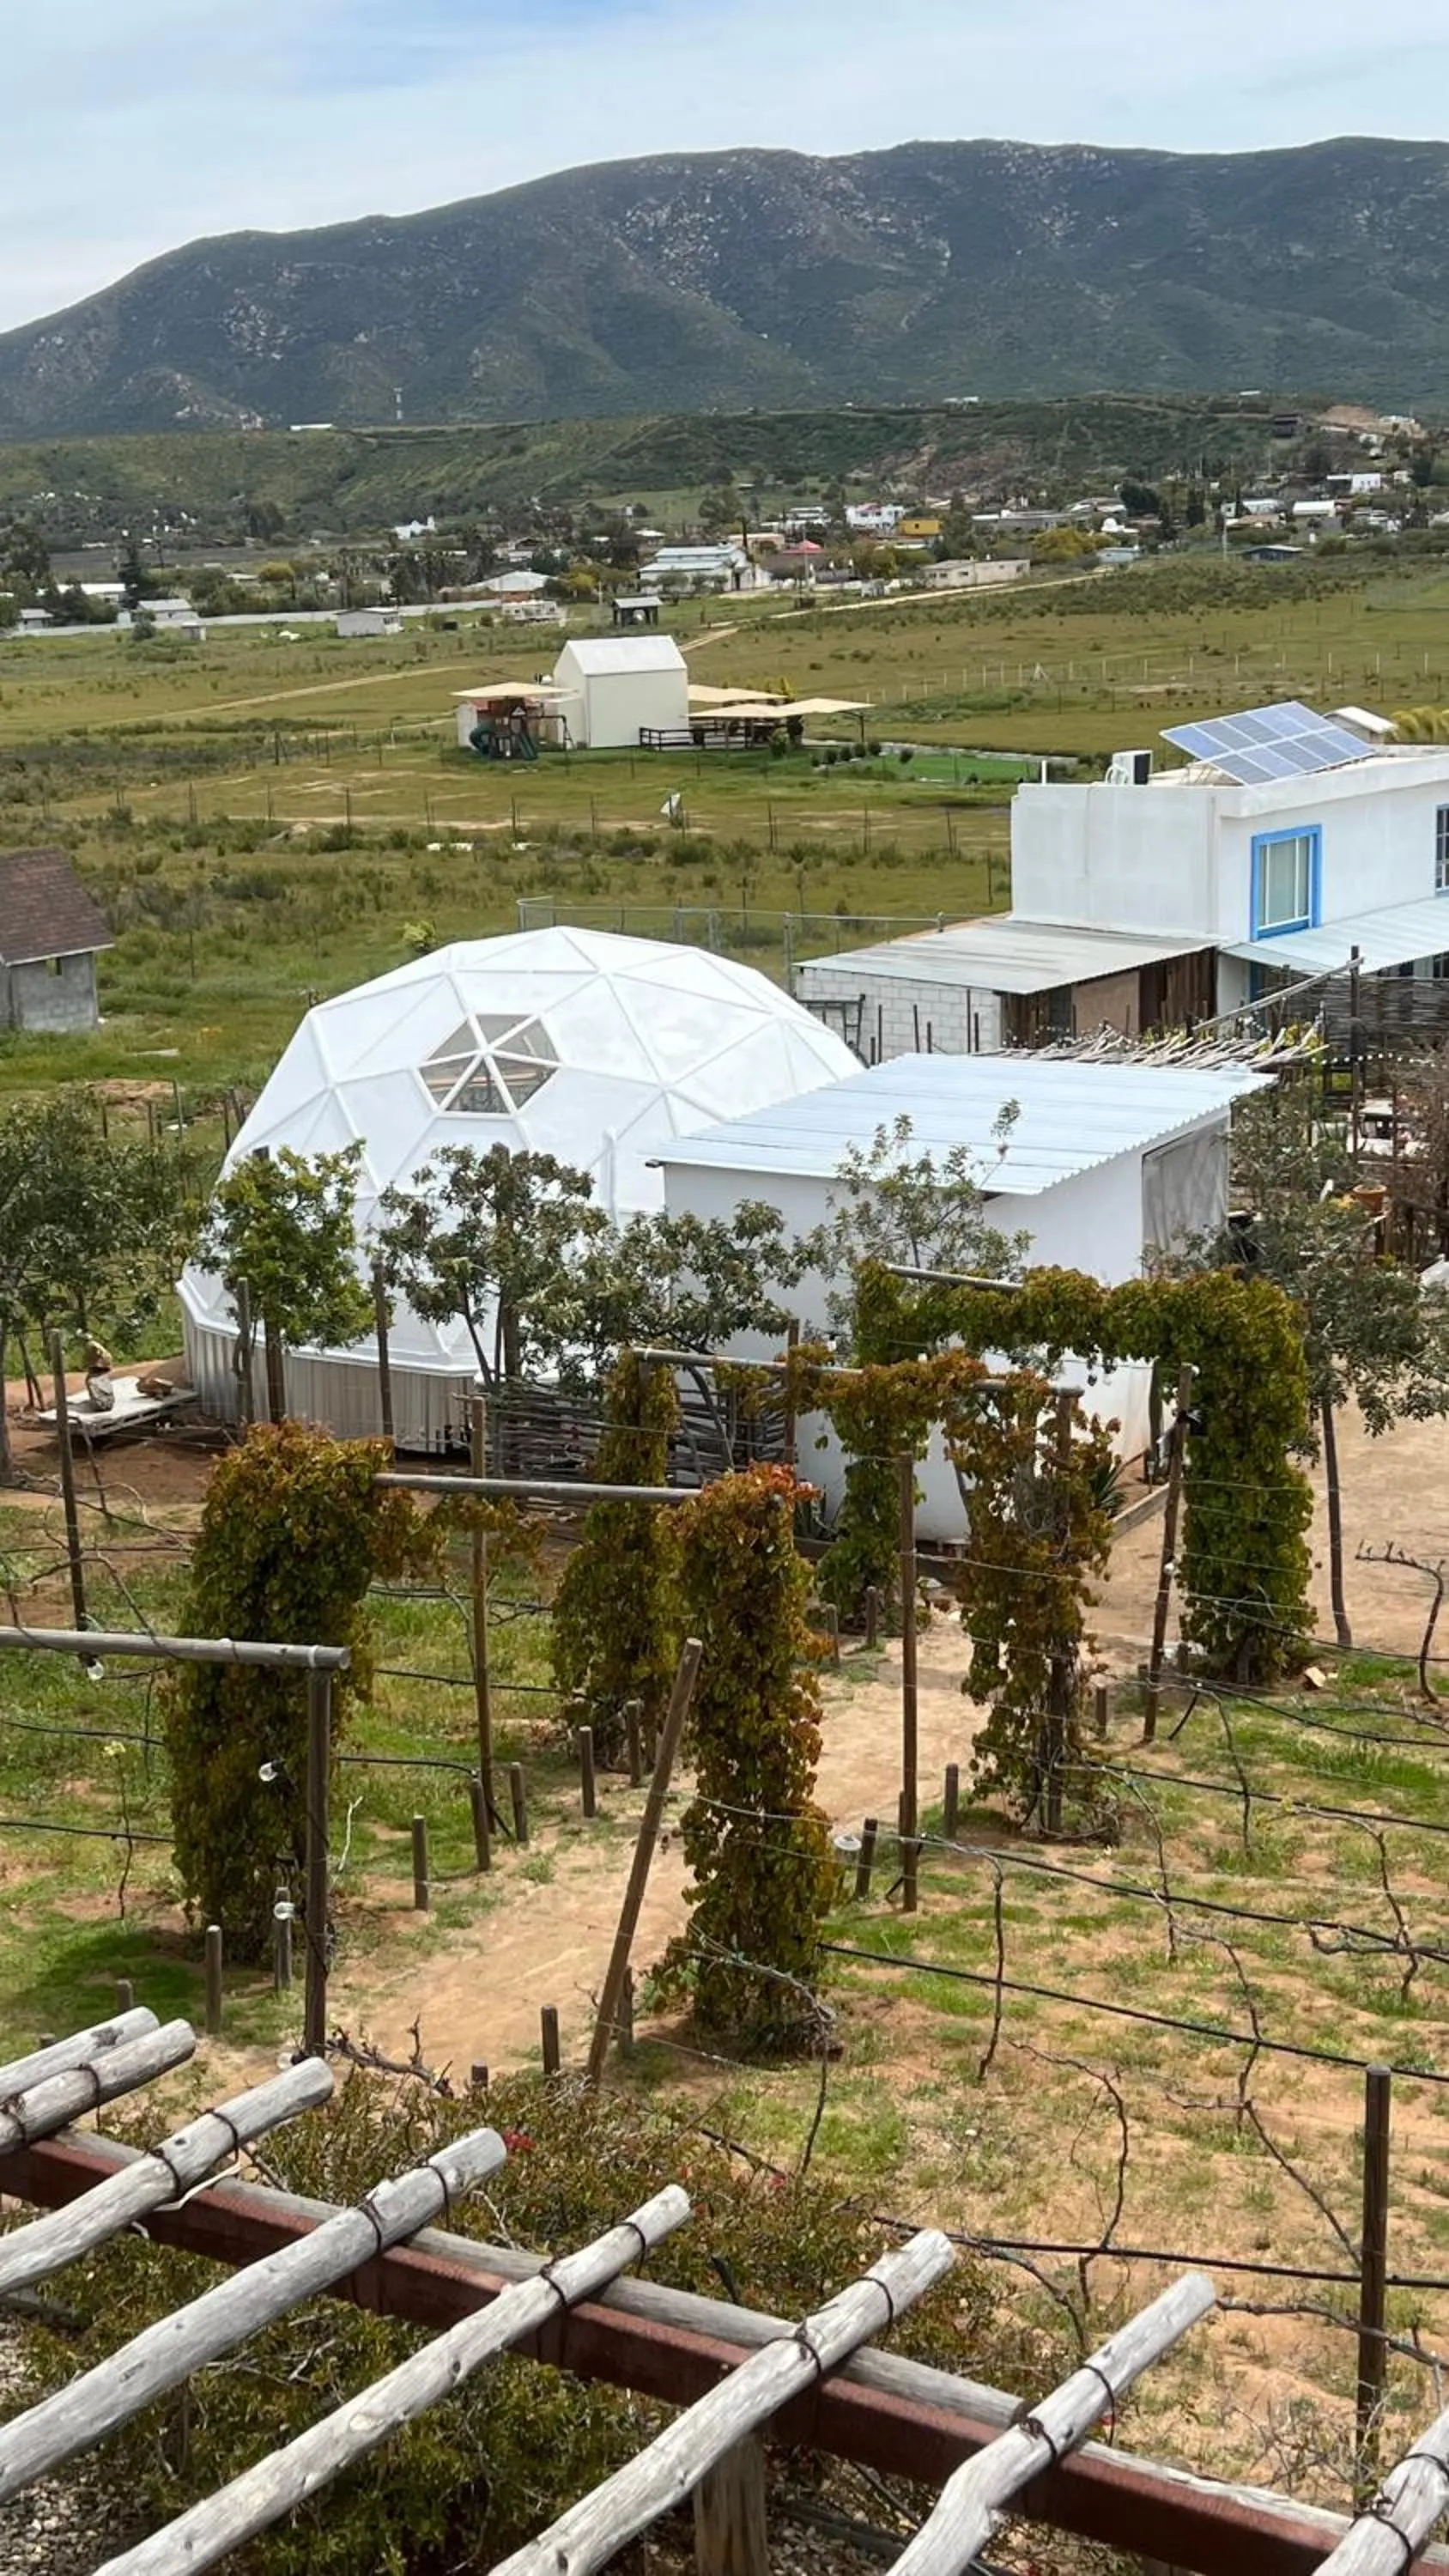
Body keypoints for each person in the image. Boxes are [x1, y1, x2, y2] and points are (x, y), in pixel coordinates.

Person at [83, 1340, 116, 1414]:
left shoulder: (93, 1346)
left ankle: (102, 1401)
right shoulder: (94, 1347)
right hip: (99, 1364)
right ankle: (103, 1400)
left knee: (93, 1381)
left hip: (99, 1363)